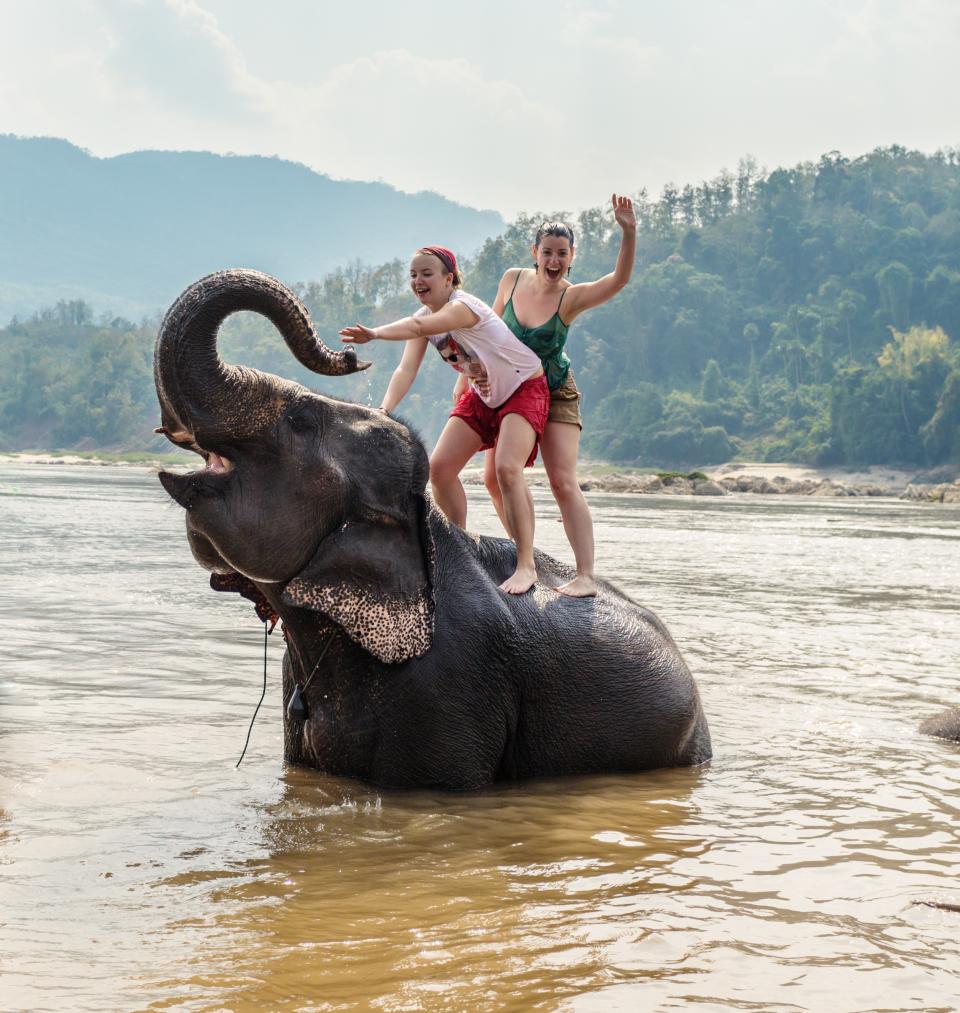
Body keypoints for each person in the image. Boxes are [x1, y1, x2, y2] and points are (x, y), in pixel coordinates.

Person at [339, 246, 550, 595]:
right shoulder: (425, 317)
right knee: (439, 469)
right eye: (413, 275)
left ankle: (526, 565)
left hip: (523, 387)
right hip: (485, 396)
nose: (418, 281)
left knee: (506, 470)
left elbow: (420, 325)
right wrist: (385, 410)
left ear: (449, 278)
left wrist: (374, 333)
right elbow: (407, 368)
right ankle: (459, 549)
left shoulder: (463, 307)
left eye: (427, 274)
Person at [458, 194, 636, 597]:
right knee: (493, 477)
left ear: (571, 256)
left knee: (562, 481)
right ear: (534, 252)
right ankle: (527, 559)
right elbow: (485, 329)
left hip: (554, 393)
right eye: (547, 252)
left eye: (561, 254)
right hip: (509, 390)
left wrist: (628, 231)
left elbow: (618, 281)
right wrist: (467, 376)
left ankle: (586, 575)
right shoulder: (512, 279)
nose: (553, 261)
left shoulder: (569, 298)